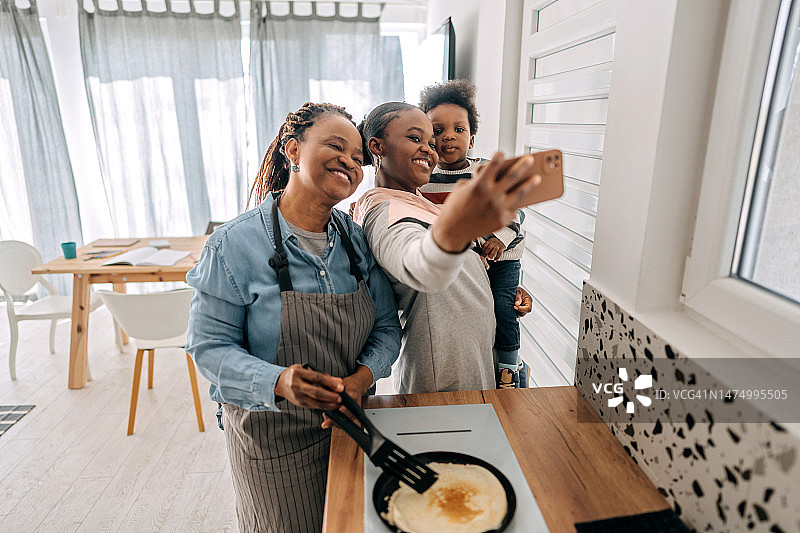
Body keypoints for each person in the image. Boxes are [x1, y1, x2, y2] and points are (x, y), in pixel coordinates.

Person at [185, 102, 402, 533]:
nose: (350, 162)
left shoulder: (356, 240)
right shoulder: (233, 244)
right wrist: (280, 382)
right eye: (335, 146)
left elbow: (385, 326)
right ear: (292, 150)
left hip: (352, 429)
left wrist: (362, 379)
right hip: (272, 441)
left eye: (358, 158)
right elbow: (209, 348)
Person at [352, 102, 536, 394]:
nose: (429, 149)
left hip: (473, 370)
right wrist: (455, 232)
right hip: (446, 384)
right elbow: (416, 262)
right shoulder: (384, 209)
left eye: (430, 141)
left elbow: (462, 271)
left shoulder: (418, 201)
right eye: (415, 138)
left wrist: (498, 288)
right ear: (377, 146)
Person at [418, 79, 528, 389]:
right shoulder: (423, 181)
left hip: (503, 256)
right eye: (437, 131)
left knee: (504, 309)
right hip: (466, 264)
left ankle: (509, 369)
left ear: (472, 138)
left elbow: (515, 211)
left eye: (459, 130)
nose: (448, 136)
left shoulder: (485, 172)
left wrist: (499, 239)